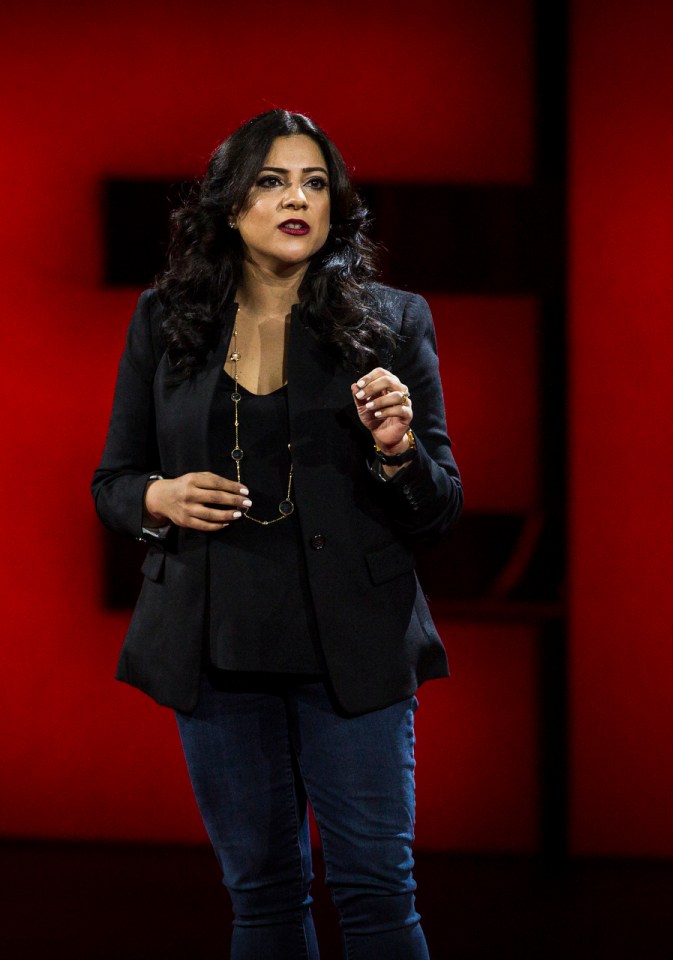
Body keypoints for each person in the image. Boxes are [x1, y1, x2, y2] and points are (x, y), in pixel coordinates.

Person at [91, 109, 461, 960]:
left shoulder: (394, 323)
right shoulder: (164, 321)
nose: (297, 198)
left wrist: (399, 451)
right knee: (260, 897)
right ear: (229, 205)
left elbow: (440, 509)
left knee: (376, 894)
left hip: (353, 648)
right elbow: (112, 483)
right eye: (272, 180)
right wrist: (161, 497)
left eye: (315, 182)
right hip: (216, 645)